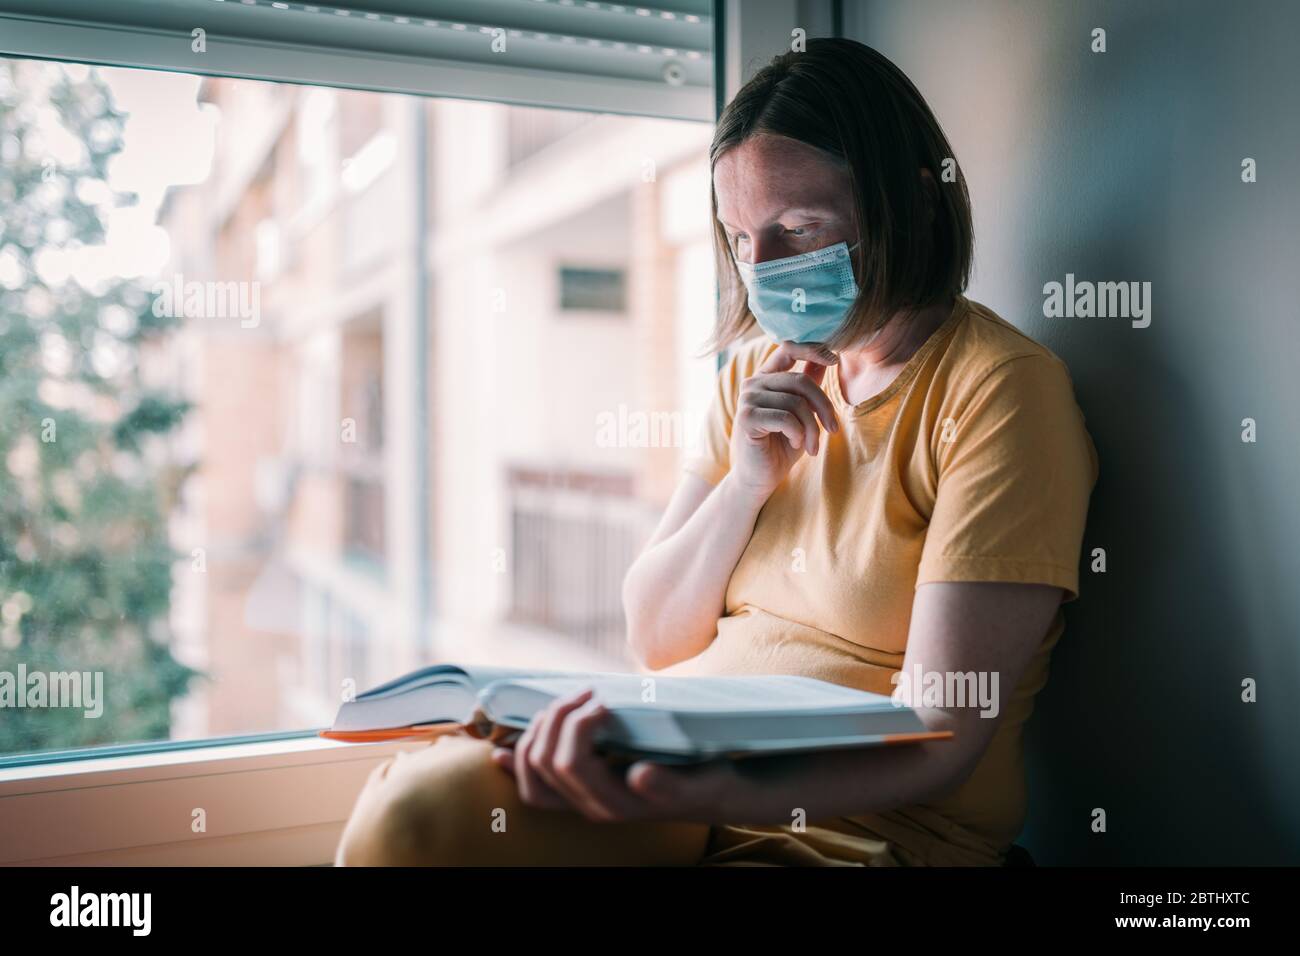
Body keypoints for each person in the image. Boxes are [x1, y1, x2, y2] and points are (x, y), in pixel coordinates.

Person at [334, 37, 1098, 867]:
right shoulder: (755, 380)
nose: (760, 269)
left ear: (913, 203)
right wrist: (745, 484)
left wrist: (704, 786)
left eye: (799, 229)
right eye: (740, 238)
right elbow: (654, 637)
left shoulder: (1000, 391)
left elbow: (939, 732)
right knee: (415, 812)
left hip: (861, 833)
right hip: (686, 785)